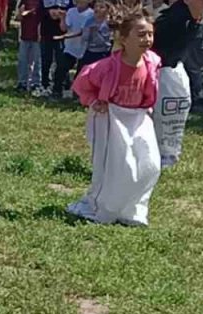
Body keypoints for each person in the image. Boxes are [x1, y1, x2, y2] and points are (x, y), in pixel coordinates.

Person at [68, 13, 162, 226]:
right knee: (117, 166)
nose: (147, 39)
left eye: (150, 34)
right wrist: (94, 101)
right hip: (110, 117)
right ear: (123, 39)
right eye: (140, 35)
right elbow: (82, 83)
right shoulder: (106, 67)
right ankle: (103, 207)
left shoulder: (152, 62)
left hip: (138, 117)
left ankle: (133, 209)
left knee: (150, 164)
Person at [152, 0, 203, 167]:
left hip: (174, 69)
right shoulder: (174, 20)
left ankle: (168, 153)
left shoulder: (196, 17)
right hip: (157, 71)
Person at [39, 0, 72, 95]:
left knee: (61, 59)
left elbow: (72, 13)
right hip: (47, 32)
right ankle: (45, 84)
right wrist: (49, 12)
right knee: (46, 59)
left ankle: (62, 84)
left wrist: (63, 15)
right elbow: (40, 12)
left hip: (62, 34)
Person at [56, 0, 95, 94]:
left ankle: (77, 94)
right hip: (70, 47)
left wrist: (66, 36)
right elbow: (64, 27)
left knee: (81, 73)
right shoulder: (71, 11)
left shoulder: (91, 14)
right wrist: (62, 18)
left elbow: (83, 32)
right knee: (61, 68)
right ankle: (57, 91)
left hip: (84, 48)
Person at [16, 0, 46, 91]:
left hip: (39, 34)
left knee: (37, 60)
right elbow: (18, 16)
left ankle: (35, 83)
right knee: (23, 59)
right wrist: (21, 13)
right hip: (25, 32)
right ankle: (22, 82)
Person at [80, 0, 114, 69]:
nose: (97, 9)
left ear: (107, 10)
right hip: (90, 51)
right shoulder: (89, 21)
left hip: (103, 53)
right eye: (96, 6)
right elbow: (84, 38)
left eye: (101, 7)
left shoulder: (109, 23)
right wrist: (88, 31)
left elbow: (109, 39)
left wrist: (98, 32)